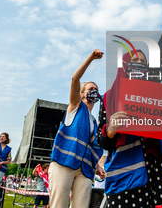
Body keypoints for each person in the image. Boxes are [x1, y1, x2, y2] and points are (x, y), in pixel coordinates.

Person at [98, 2, 162, 207]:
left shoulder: (152, 93)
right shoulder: (109, 98)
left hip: (155, 169)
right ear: (125, 66)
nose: (141, 66)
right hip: (126, 170)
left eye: (144, 63)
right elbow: (104, 144)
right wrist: (110, 130)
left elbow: (161, 57)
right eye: (136, 61)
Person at [49, 49, 106, 208]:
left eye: (96, 89)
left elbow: (88, 147)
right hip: (64, 164)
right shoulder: (75, 107)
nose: (94, 91)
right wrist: (91, 58)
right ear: (82, 94)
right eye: (90, 89)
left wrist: (97, 166)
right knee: (59, 205)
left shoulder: (94, 122)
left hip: (85, 170)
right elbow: (75, 79)